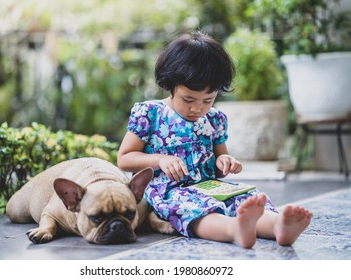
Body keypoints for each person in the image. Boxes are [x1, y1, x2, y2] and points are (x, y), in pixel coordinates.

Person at [117, 31, 312, 249]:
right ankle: (234, 229)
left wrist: (225, 162)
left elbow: (219, 162)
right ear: (170, 84)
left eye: (208, 100)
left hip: (209, 186)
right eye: (188, 99)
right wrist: (160, 160)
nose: (197, 108)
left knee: (245, 198)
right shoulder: (150, 113)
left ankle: (277, 225)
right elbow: (125, 158)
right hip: (168, 192)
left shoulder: (214, 119)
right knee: (195, 209)